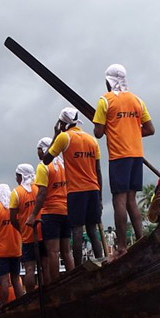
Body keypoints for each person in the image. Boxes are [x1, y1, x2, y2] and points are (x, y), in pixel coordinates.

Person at [92, 64, 155, 258]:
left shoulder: (105, 101)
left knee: (118, 199)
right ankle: (141, 239)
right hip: (136, 155)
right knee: (131, 200)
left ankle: (121, 246)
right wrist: (132, 133)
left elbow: (98, 132)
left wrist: (115, 130)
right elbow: (150, 129)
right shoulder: (137, 100)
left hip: (119, 157)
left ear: (109, 81)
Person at [43, 107, 104, 266]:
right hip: (93, 189)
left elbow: (46, 160)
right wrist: (100, 197)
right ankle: (101, 261)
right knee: (92, 230)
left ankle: (78, 269)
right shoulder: (92, 140)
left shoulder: (64, 137)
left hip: (76, 191)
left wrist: (56, 135)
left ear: (63, 123)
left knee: (77, 230)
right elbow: (98, 171)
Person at [29, 137, 74, 282]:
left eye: (38, 151)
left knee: (53, 252)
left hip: (51, 212)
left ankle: (57, 284)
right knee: (66, 251)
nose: (38, 154)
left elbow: (42, 193)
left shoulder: (43, 166)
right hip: (66, 210)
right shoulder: (64, 164)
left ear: (43, 149)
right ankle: (73, 279)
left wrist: (33, 214)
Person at [10, 163, 45, 292]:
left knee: (30, 268)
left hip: (27, 235)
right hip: (42, 231)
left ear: (21, 176)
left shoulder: (16, 193)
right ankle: (48, 291)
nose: (16, 179)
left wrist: (22, 229)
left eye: (17, 176)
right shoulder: (39, 187)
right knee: (44, 266)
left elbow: (12, 218)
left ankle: (30, 296)